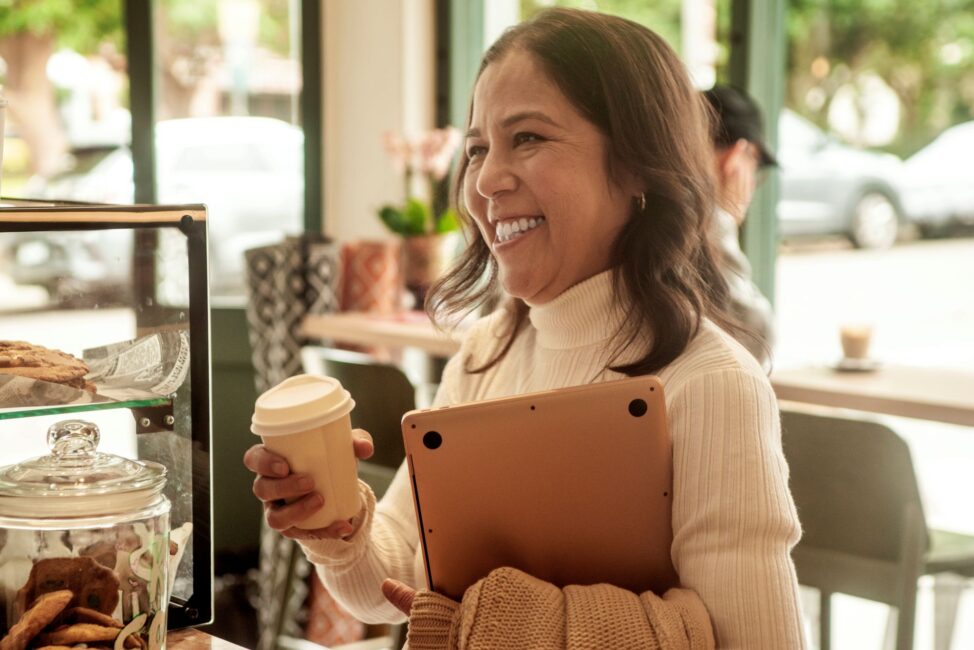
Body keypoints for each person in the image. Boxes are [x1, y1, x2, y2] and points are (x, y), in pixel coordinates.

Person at [245, 9, 805, 649]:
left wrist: (517, 622)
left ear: (637, 167)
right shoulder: (488, 351)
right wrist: (337, 522)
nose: (484, 179)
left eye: (530, 138)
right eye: (479, 147)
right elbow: (395, 577)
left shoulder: (711, 384)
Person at [703, 84, 778, 368]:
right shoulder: (694, 223)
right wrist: (722, 216)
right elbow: (755, 338)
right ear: (737, 157)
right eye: (755, 170)